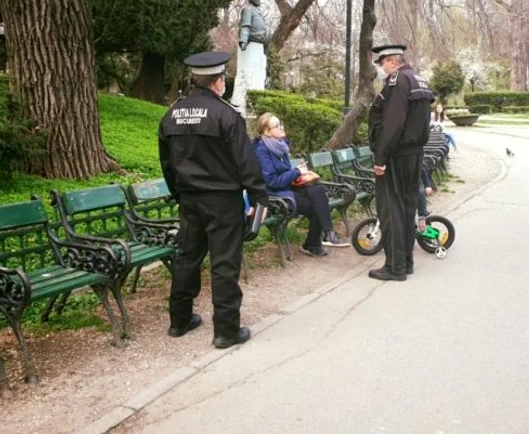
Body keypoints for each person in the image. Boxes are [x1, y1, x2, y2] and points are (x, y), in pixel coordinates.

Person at [158, 51, 269, 350]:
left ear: (195, 79)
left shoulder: (172, 114)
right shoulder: (226, 115)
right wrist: (259, 196)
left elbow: (166, 162)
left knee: (186, 258)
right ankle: (226, 331)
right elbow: (246, 162)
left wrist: (179, 193)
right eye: (223, 80)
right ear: (218, 82)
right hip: (222, 201)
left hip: (190, 200)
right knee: (224, 263)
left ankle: (178, 321)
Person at [367, 44, 435, 281]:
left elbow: (394, 123)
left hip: (396, 155)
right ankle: (406, 262)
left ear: (393, 62)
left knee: (391, 210)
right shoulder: (420, 80)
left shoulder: (397, 81)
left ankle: (394, 267)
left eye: (383, 63)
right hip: (415, 154)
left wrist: (381, 158)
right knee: (407, 209)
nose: (382, 69)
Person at [253, 112, 349, 257]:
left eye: (281, 124)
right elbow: (272, 181)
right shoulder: (261, 150)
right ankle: (313, 244)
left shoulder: (280, 146)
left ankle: (328, 233)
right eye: (277, 126)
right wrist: (296, 172)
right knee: (318, 205)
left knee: (318, 190)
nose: (281, 127)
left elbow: (284, 173)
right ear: (267, 131)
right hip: (274, 195)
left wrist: (300, 173)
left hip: (287, 187)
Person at [417, 166, 433, 231]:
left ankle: (422, 218)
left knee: (420, 193)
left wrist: (427, 185)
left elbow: (422, 170)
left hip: (415, 184)